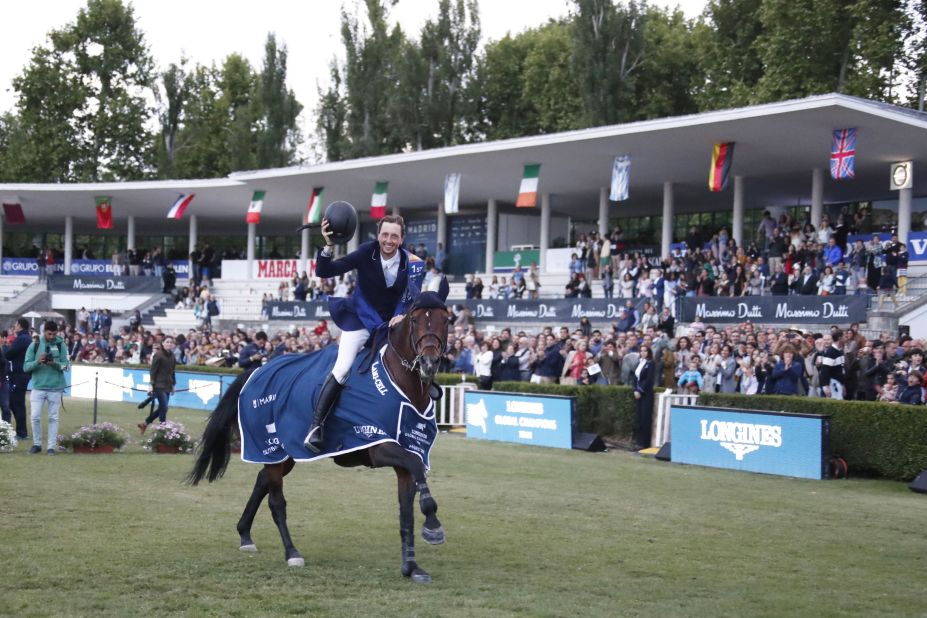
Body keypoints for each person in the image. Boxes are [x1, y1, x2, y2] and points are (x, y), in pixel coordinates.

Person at [304, 214, 425, 453]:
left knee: (416, 355)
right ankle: (316, 427)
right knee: (342, 367)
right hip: (360, 320)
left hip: (392, 324)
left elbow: (411, 296)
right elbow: (325, 270)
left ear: (402, 239)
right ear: (378, 235)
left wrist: (401, 315)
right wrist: (329, 245)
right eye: (385, 235)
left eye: (394, 236)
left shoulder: (414, 263)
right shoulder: (364, 252)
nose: (389, 240)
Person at [23, 321, 69, 454]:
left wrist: (54, 364)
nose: (52, 337)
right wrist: (38, 361)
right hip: (38, 387)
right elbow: (26, 367)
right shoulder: (35, 345)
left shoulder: (61, 345)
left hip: (56, 387)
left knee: (53, 418)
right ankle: (37, 445)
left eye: (54, 334)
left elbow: (66, 366)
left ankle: (51, 447)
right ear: (44, 332)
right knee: (35, 417)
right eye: (49, 334)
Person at [138, 337, 177, 435]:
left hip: (168, 385)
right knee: (164, 407)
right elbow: (153, 371)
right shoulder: (158, 355)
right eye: (167, 342)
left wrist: (173, 385)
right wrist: (151, 385)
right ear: (162, 343)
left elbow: (173, 371)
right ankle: (162, 429)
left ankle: (145, 423)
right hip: (159, 385)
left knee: (163, 408)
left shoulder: (172, 356)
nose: (169, 343)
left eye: (170, 342)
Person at [4, 318, 33, 440]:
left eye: (16, 324)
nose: (14, 326)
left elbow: (9, 354)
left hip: (19, 375)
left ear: (20, 326)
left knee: (18, 404)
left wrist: (4, 347)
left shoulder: (22, 339)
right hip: (20, 375)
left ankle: (22, 433)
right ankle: (20, 431)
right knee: (13, 402)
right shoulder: (26, 338)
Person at [630, 345, 655, 449]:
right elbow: (635, 378)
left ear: (648, 352)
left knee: (645, 418)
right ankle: (638, 442)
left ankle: (645, 443)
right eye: (641, 351)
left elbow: (649, 380)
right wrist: (635, 389)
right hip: (638, 394)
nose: (643, 353)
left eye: (645, 351)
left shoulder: (651, 364)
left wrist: (640, 390)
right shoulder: (639, 363)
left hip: (646, 394)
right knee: (638, 418)